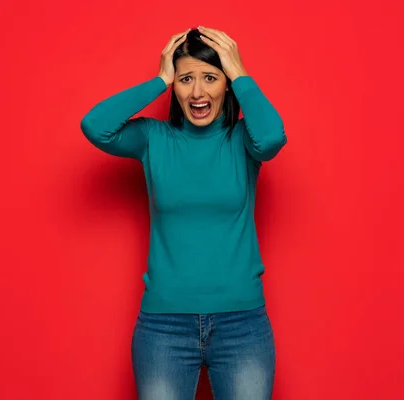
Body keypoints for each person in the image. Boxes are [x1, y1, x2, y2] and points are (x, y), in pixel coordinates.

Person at [81, 26, 287, 400]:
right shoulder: (153, 138)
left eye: (210, 78)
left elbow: (272, 138)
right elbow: (95, 126)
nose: (197, 93)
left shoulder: (242, 140)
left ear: (226, 85)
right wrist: (158, 80)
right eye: (185, 79)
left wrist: (240, 73)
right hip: (164, 328)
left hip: (242, 325)